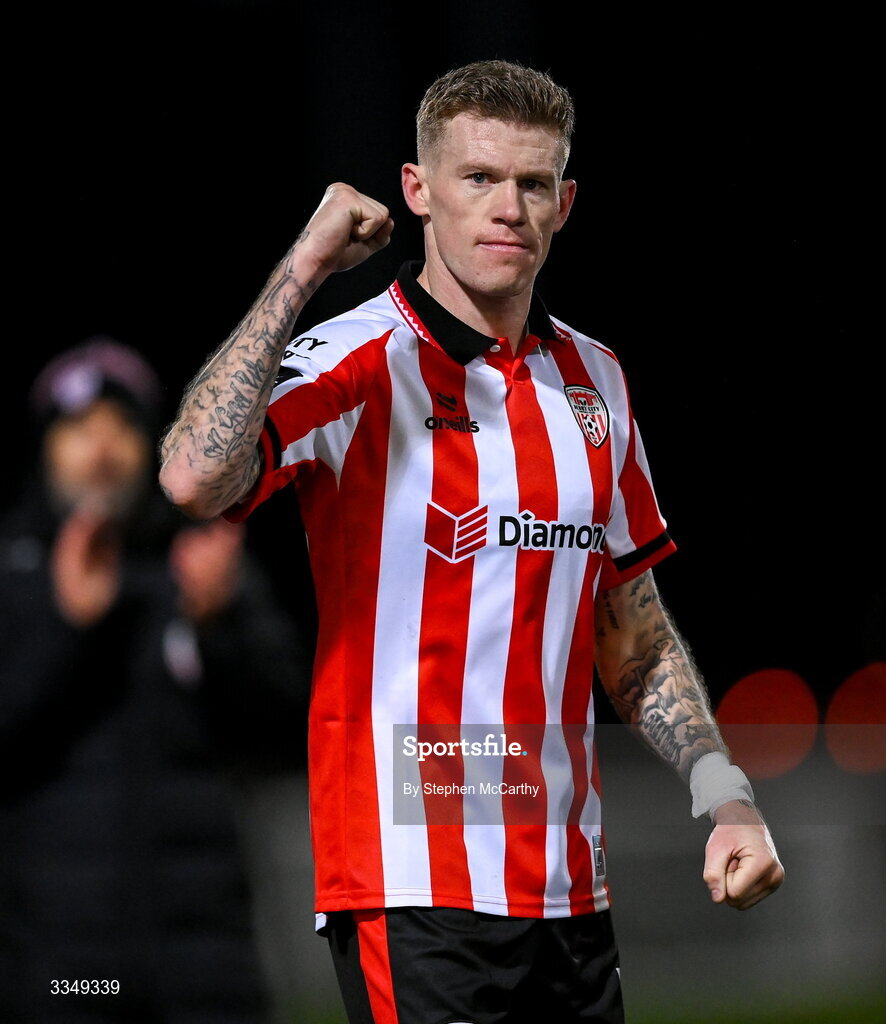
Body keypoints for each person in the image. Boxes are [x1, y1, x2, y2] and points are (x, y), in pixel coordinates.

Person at [159, 60, 784, 1024]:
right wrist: (306, 266)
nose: (508, 208)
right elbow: (192, 477)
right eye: (479, 177)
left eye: (533, 183)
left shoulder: (596, 381)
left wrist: (724, 794)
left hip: (569, 887)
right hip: (409, 880)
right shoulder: (357, 359)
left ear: (564, 204)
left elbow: (633, 629)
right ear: (419, 190)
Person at [0, 337, 312, 1023]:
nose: (102, 447)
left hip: (204, 966)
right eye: (78, 429)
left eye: (122, 426)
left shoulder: (201, 568)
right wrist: (66, 628)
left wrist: (220, 623)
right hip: (63, 974)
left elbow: (288, 730)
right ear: (43, 450)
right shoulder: (15, 573)